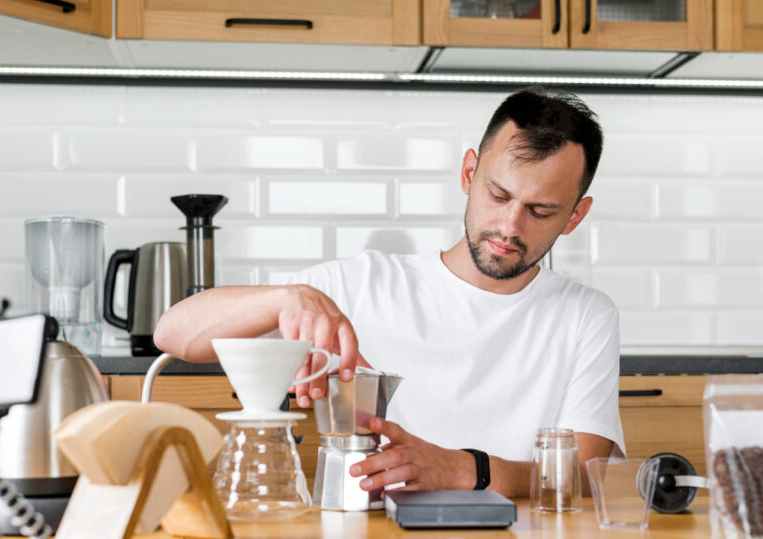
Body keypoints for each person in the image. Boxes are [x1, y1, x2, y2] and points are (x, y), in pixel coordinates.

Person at [153, 87, 625, 497]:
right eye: (498, 195)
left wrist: (467, 469)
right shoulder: (362, 286)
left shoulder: (585, 316)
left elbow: (587, 474)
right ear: (468, 173)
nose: (509, 226)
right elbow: (172, 332)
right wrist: (285, 298)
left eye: (540, 211)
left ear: (575, 217)